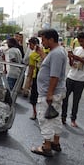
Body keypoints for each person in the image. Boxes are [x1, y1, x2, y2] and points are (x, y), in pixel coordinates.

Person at [31, 29, 67, 157]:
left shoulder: (56, 53)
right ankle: (55, 143)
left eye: (44, 40)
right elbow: (51, 66)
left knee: (45, 119)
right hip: (55, 92)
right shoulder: (57, 51)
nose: (42, 42)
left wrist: (49, 94)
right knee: (56, 117)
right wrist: (41, 53)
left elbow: (54, 76)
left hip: (50, 93)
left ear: (51, 39)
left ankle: (46, 146)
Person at [61, 32, 84, 127]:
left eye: (82, 41)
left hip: (80, 80)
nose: (81, 43)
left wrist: (80, 59)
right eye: (79, 41)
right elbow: (72, 64)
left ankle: (73, 119)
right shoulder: (77, 49)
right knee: (64, 98)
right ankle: (63, 117)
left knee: (76, 101)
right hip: (70, 77)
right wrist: (70, 58)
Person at [23, 37, 43, 120]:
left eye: (30, 44)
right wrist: (28, 84)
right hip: (36, 77)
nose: (29, 46)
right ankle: (34, 112)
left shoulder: (45, 52)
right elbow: (31, 70)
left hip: (43, 79)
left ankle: (41, 113)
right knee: (34, 97)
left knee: (42, 98)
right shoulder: (32, 55)